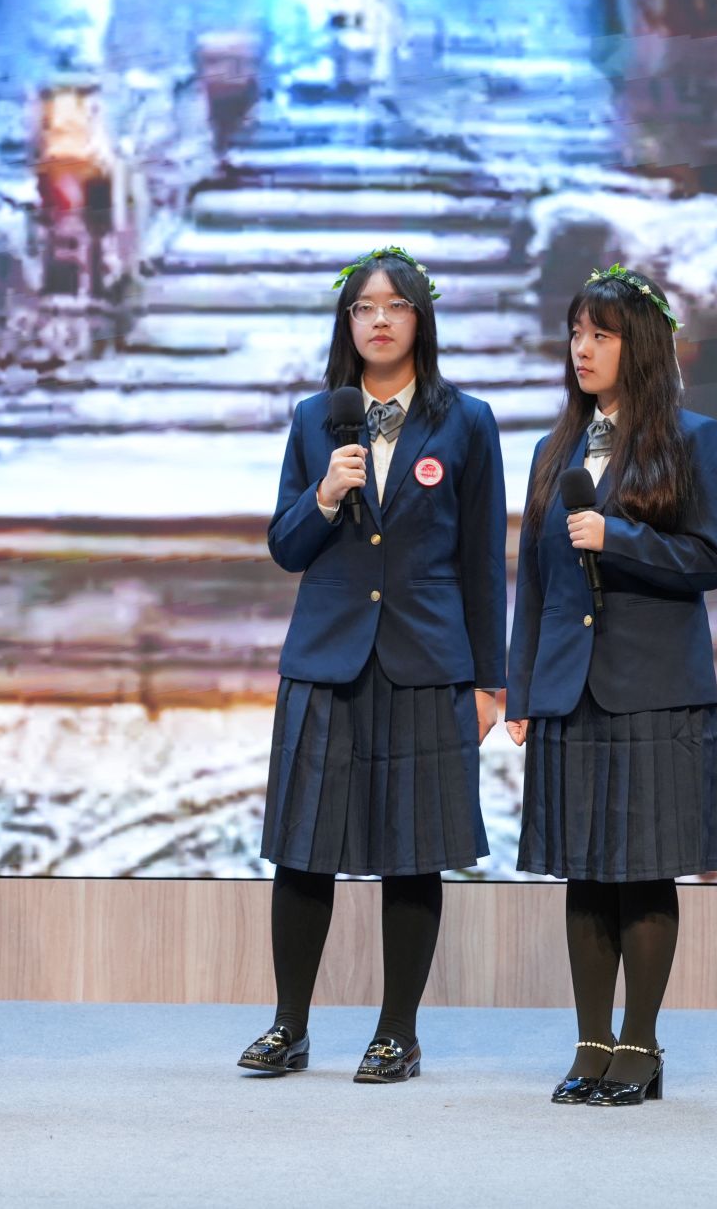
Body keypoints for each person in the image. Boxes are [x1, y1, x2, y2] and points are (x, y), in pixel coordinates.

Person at [238, 245, 507, 1084]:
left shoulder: (466, 421)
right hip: (327, 659)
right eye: (364, 307)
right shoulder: (315, 419)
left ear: (420, 319)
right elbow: (286, 545)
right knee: (303, 847)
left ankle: (398, 1033)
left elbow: (483, 560)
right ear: (346, 322)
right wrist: (324, 494)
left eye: (395, 306)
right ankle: (288, 1025)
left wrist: (491, 681)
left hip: (427, 659)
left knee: (413, 850)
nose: (379, 320)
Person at [505, 264, 717, 1107]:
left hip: (655, 688)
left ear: (637, 346)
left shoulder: (695, 439)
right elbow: (534, 582)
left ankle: (640, 1041)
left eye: (600, 334)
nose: (583, 349)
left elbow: (709, 558)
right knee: (585, 872)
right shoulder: (552, 450)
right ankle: (592, 1040)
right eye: (576, 333)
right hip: (568, 688)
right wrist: (521, 689)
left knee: (643, 869)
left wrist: (620, 536)